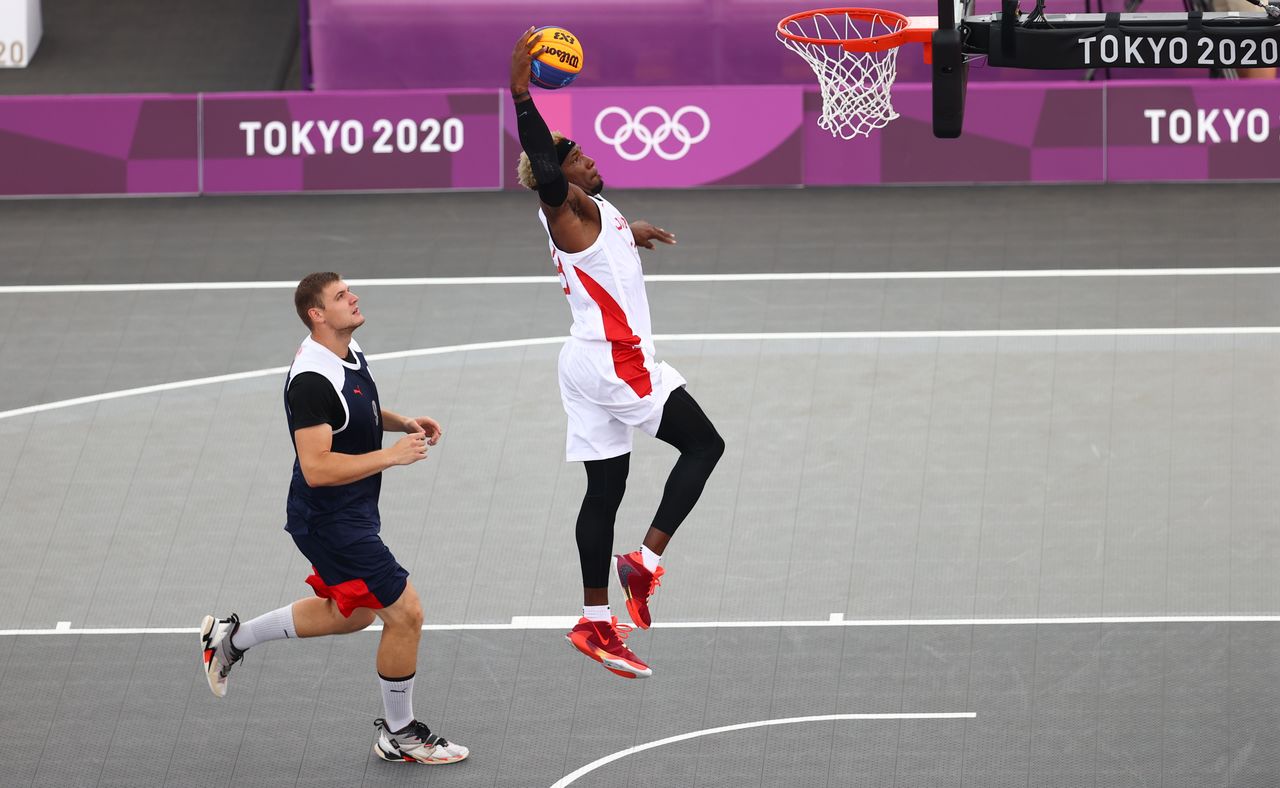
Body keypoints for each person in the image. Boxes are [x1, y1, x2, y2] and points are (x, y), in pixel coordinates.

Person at [509, 28, 726, 679]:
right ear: (559, 173)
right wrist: (521, 92)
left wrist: (636, 230)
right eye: (578, 159)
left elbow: (602, 232)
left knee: (604, 490)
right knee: (705, 445)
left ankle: (595, 623)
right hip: (615, 362)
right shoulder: (563, 208)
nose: (589, 161)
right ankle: (644, 563)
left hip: (584, 363)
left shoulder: (595, 210)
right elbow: (547, 171)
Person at [199, 272, 468, 765]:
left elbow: (355, 407)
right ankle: (400, 733)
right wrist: (393, 455)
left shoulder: (347, 352)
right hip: (329, 520)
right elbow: (317, 468)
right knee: (406, 614)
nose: (355, 297)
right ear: (316, 315)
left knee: (358, 612)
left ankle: (230, 640)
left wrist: (401, 421)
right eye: (342, 296)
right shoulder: (310, 382)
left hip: (353, 512)